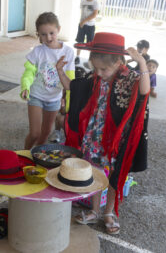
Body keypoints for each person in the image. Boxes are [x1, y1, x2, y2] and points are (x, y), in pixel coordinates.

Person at [56, 32, 150, 235]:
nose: (98, 73)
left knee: (115, 175)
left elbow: (144, 90)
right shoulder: (95, 76)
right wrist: (60, 71)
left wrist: (141, 63)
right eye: (95, 68)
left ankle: (109, 212)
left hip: (116, 139)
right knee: (95, 172)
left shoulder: (129, 77)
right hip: (94, 134)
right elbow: (73, 87)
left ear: (118, 62)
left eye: (103, 69)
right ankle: (95, 210)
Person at [20, 12, 75, 150]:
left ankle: (37, 158)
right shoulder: (37, 51)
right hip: (36, 95)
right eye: (43, 34)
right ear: (38, 34)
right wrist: (25, 86)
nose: (48, 37)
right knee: (35, 133)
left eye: (52, 33)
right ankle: (23, 154)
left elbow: (70, 79)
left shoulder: (68, 52)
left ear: (59, 29)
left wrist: (68, 100)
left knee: (44, 136)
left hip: (54, 99)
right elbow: (29, 72)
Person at [74, 0, 99, 65]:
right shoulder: (83, 2)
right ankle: (77, 57)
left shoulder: (95, 3)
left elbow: (94, 14)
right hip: (82, 25)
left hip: (90, 26)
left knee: (90, 43)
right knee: (80, 41)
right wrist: (81, 22)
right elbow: (82, 13)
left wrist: (84, 21)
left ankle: (90, 60)